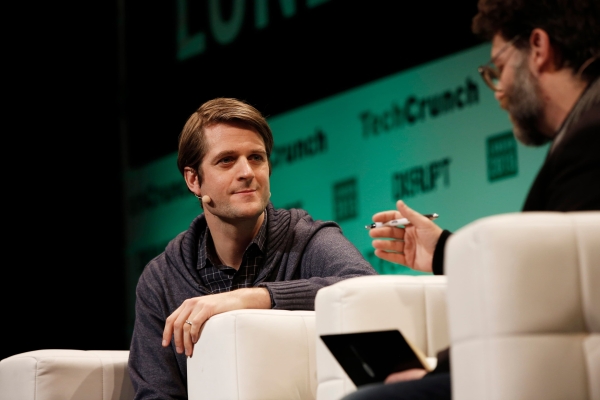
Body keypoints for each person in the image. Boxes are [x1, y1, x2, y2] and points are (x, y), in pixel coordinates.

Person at [343, 0, 600, 399]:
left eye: (499, 67)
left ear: (538, 48)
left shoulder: (589, 140)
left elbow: (541, 304)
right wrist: (444, 250)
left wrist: (434, 371)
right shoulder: (583, 131)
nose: (500, 91)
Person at [127, 97, 377, 399]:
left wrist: (254, 297)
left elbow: (367, 291)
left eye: (256, 158)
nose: (247, 171)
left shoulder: (305, 238)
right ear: (194, 180)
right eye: (226, 160)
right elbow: (156, 394)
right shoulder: (162, 279)